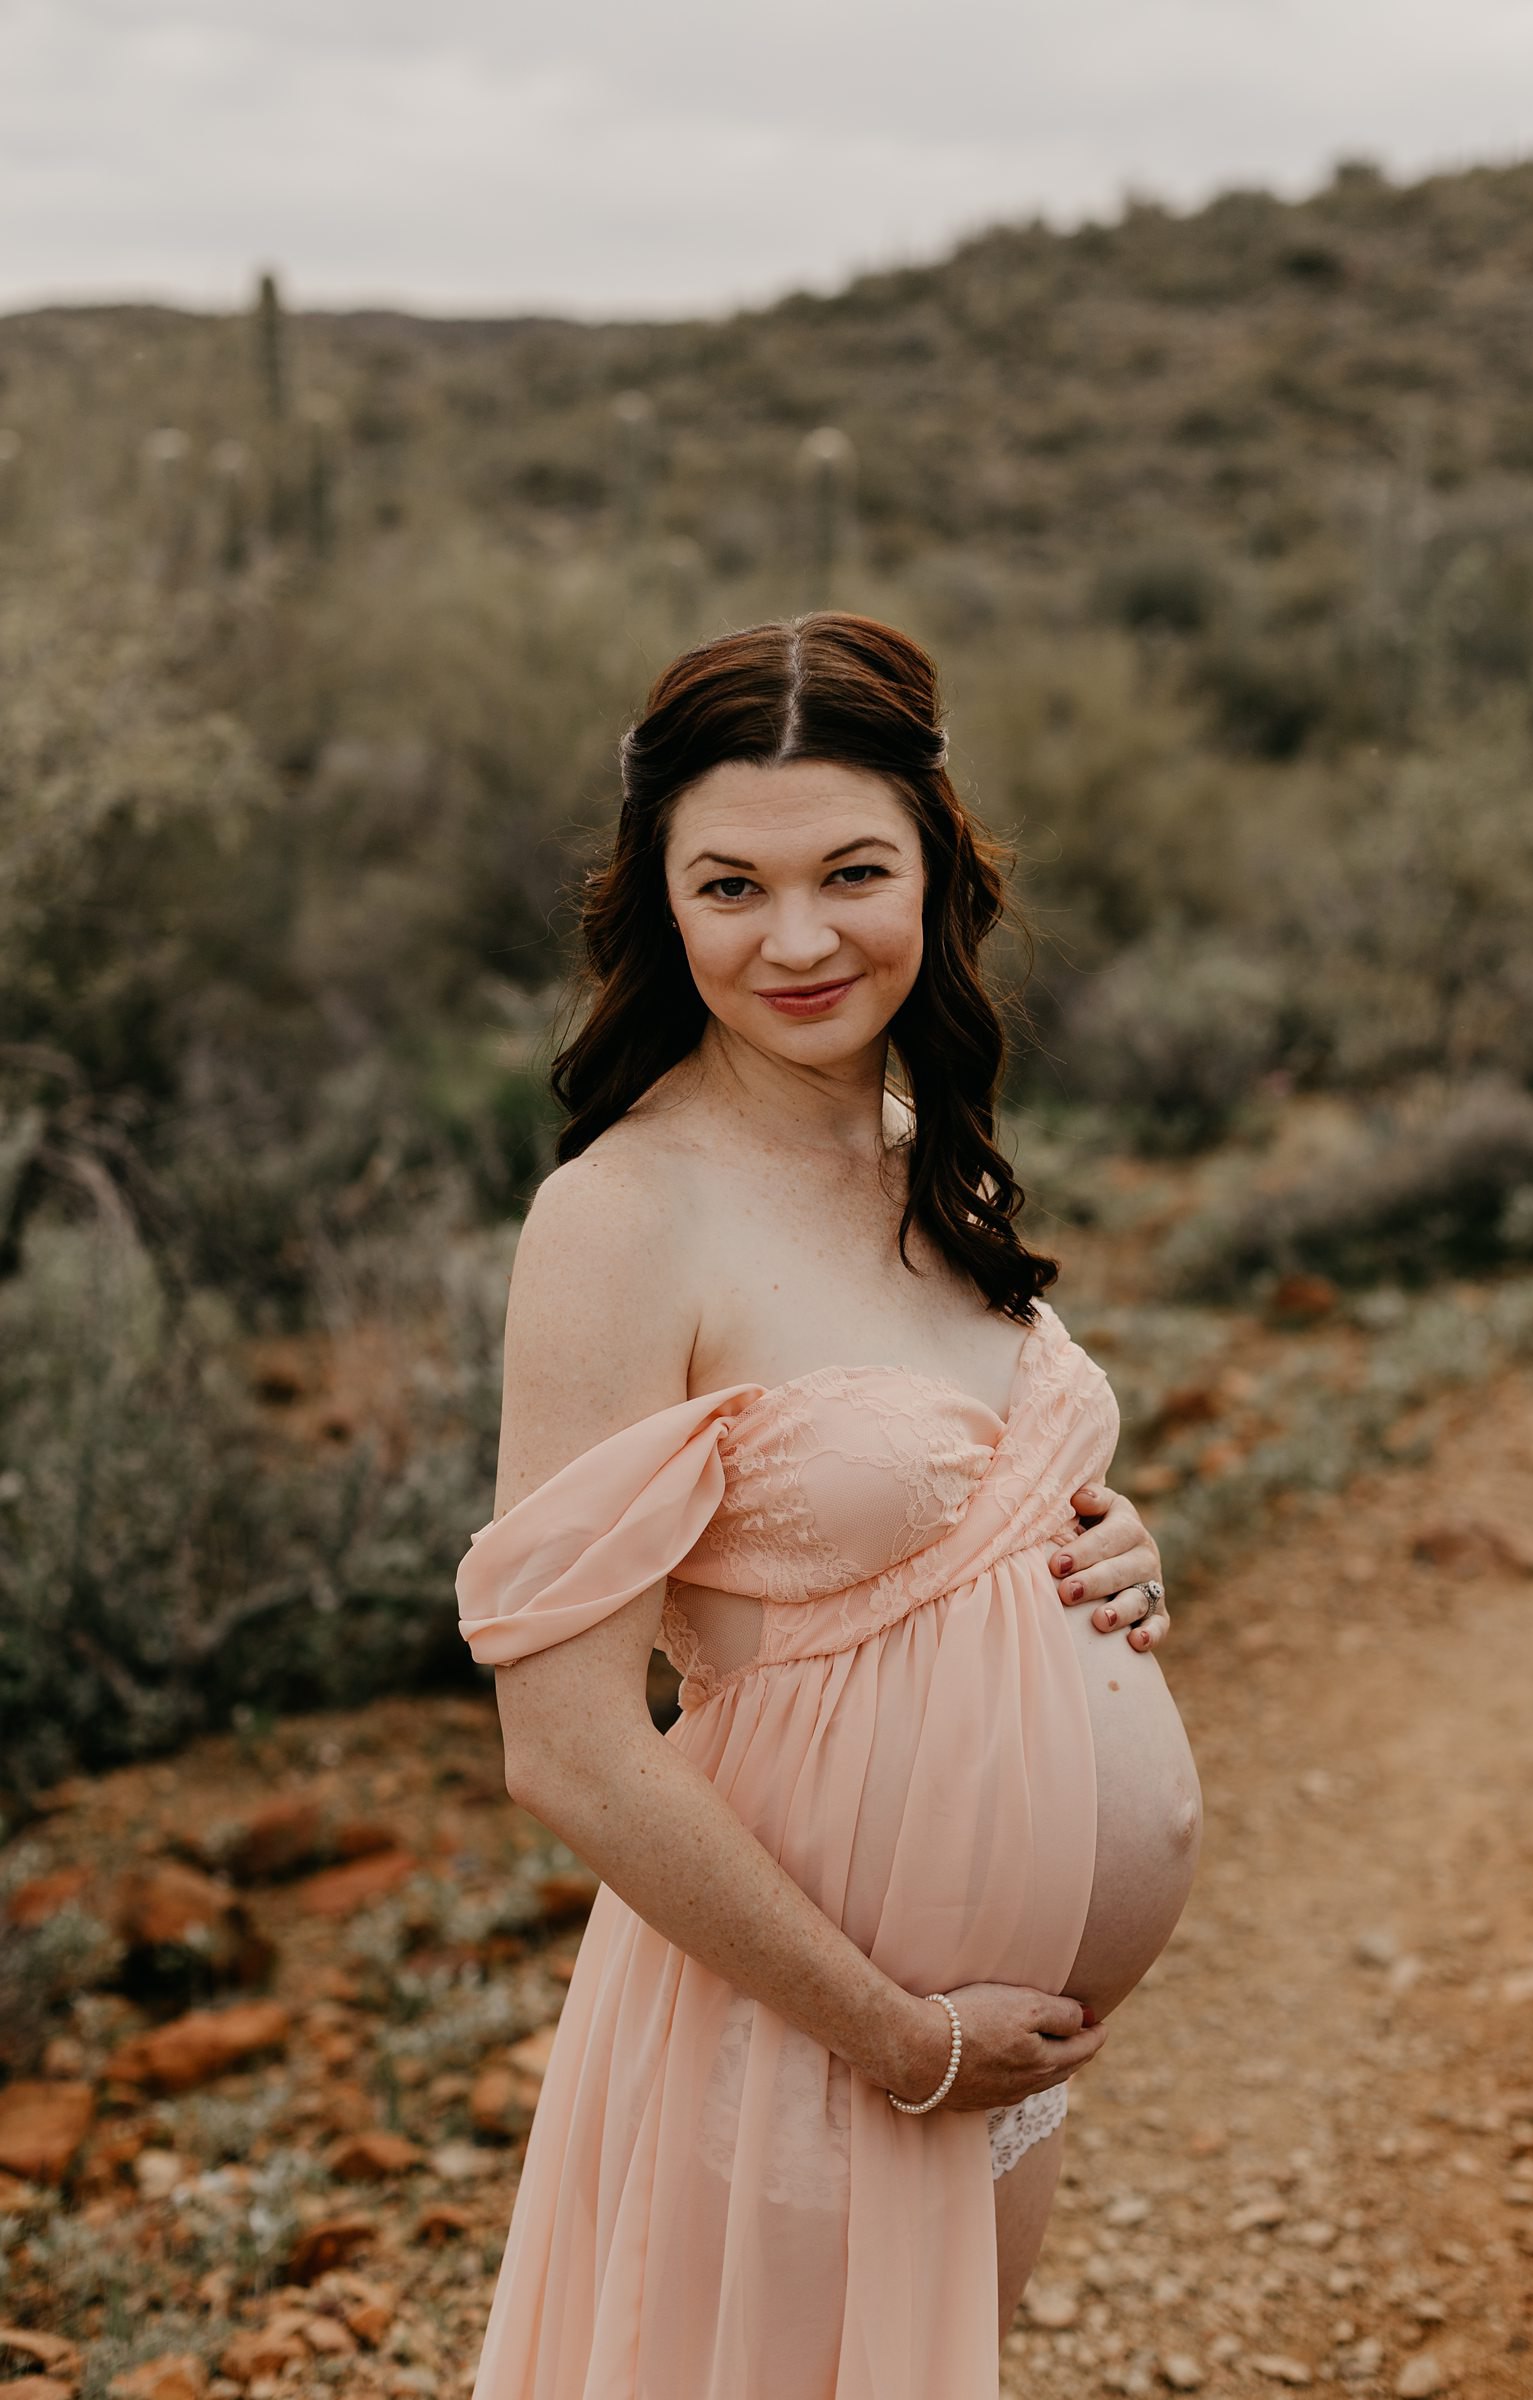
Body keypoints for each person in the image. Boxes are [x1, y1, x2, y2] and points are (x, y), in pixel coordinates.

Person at [456, 612, 1202, 2400]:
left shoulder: (909, 1146)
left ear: (938, 863)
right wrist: (898, 2033)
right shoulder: (624, 1219)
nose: (797, 940)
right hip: (810, 2029)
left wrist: (1107, 1535)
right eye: (731, 887)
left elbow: (949, 1485)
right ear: (662, 900)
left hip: (990, 2064)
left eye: (852, 871)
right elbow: (564, 1742)